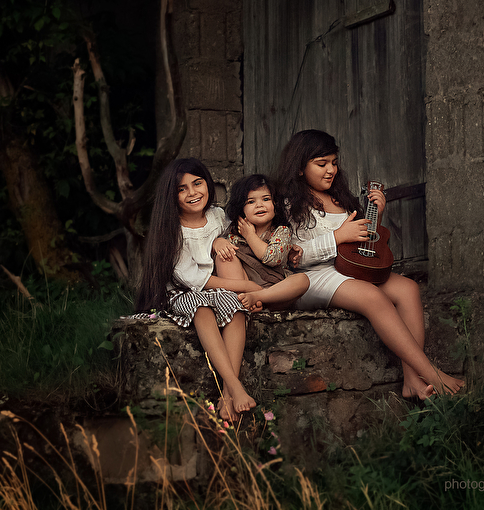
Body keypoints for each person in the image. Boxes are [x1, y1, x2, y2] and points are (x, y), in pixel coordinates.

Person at [275, 129, 464, 399]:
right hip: (311, 277)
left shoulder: (340, 198)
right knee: (373, 296)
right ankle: (431, 373)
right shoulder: (290, 204)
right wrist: (338, 236)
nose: (331, 170)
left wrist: (377, 217)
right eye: (321, 164)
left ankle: (412, 380)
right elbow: (294, 256)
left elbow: (359, 245)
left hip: (348, 269)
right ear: (299, 167)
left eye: (334, 163)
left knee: (408, 288)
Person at [135, 158, 257, 421]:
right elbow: (194, 280)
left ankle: (227, 396)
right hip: (182, 292)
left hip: (218, 289)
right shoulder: (172, 230)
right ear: (171, 195)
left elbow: (235, 244)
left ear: (208, 183)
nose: (192, 193)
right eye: (182, 189)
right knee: (201, 307)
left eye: (197, 183)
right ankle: (235, 386)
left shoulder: (218, 216)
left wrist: (219, 241)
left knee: (235, 307)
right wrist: (246, 285)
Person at [222, 174, 309, 311]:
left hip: (275, 292)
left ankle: (257, 298)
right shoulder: (234, 235)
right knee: (225, 256)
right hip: (246, 287)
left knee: (303, 280)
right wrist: (218, 243)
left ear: (276, 204)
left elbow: (272, 258)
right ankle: (247, 300)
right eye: (251, 202)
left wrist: (250, 235)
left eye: (266, 199)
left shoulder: (281, 232)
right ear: (241, 209)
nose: (259, 205)